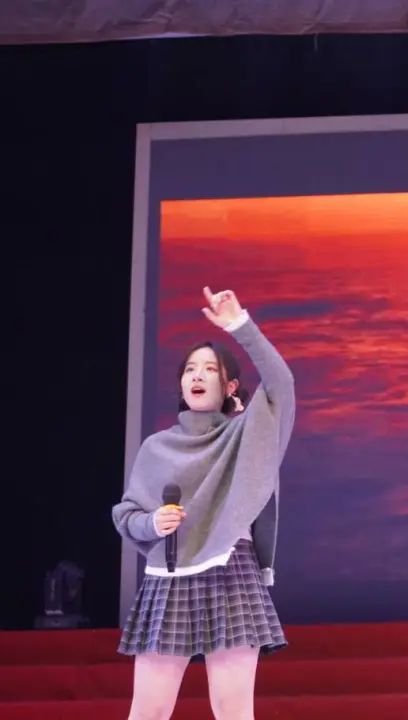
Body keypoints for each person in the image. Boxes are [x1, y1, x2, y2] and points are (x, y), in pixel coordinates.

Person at [112, 287, 295, 720]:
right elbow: (127, 514)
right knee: (147, 711)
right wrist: (152, 523)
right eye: (190, 369)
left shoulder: (245, 434)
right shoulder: (157, 447)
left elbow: (282, 385)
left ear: (229, 386)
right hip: (168, 575)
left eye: (210, 369)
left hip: (231, 572)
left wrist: (239, 325)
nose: (197, 375)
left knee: (233, 712)